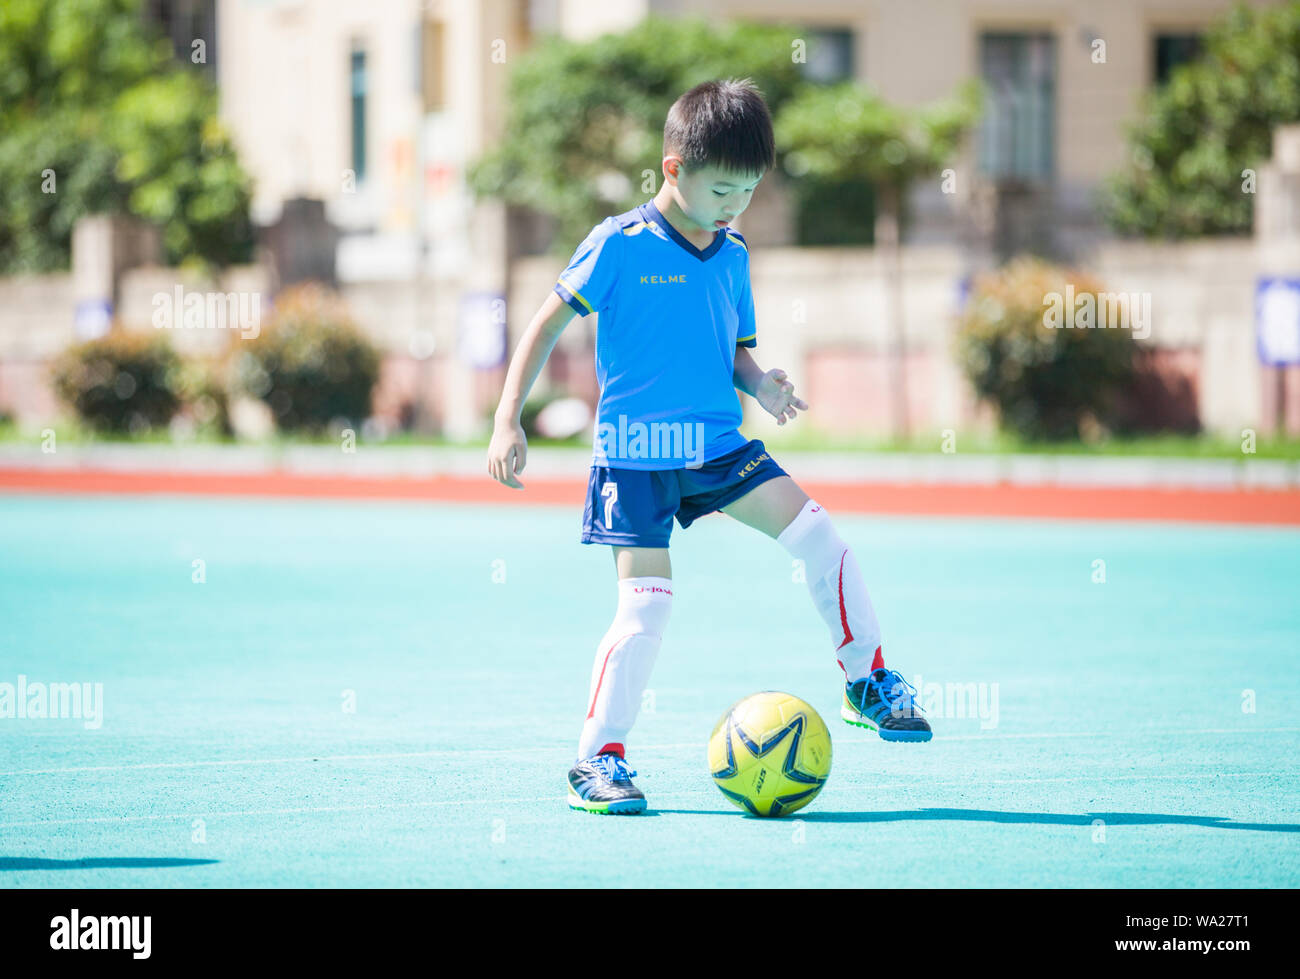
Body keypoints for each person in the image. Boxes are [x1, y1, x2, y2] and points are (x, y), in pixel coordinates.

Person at [488, 78, 930, 816]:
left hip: (718, 447)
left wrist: (762, 384)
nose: (734, 205)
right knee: (647, 609)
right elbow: (543, 324)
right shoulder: (617, 245)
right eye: (723, 188)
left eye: (748, 191)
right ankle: (598, 757)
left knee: (823, 536)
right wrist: (508, 418)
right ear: (672, 169)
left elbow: (737, 349)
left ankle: (867, 679)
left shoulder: (732, 254)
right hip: (634, 456)